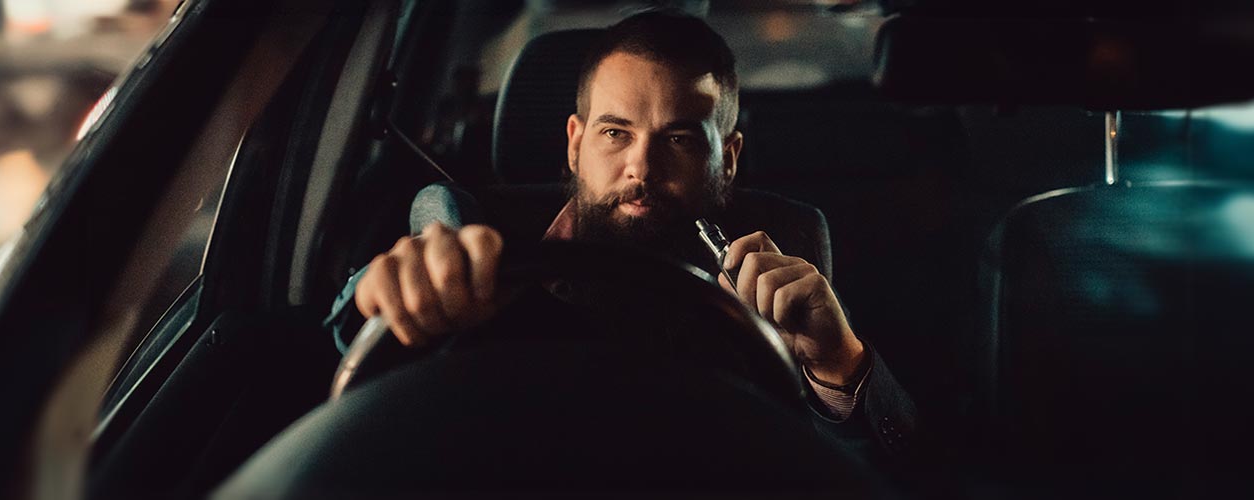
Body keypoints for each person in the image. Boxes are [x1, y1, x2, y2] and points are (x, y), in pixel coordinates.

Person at [325, 9, 920, 473]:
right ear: (575, 142)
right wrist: (386, 296)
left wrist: (839, 364)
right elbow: (367, 351)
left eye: (680, 140)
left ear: (729, 158)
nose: (642, 167)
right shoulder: (480, 241)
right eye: (616, 133)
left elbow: (882, 474)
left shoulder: (782, 262)